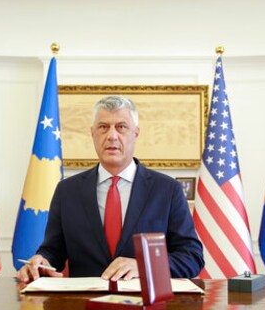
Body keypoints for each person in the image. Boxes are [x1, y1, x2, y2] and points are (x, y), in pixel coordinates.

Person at [17, 95, 204, 283]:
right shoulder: (67, 191)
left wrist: (143, 265)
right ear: (93, 133)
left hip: (145, 307)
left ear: (135, 134)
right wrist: (41, 262)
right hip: (81, 306)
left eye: (121, 127)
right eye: (103, 127)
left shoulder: (167, 189)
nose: (112, 135)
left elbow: (192, 257)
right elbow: (53, 251)